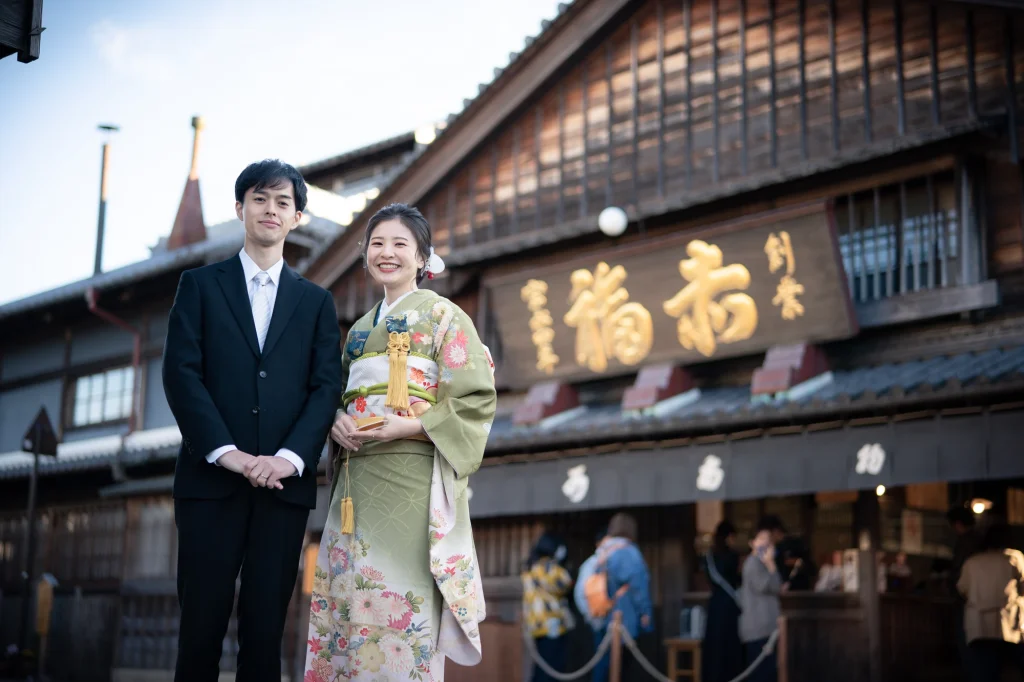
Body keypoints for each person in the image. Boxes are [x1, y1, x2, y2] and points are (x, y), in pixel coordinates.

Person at [163, 160, 342, 682]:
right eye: (260, 199)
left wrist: (288, 459)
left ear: (297, 217)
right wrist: (229, 454)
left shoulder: (316, 302)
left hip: (283, 491)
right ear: (240, 208)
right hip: (209, 482)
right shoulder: (199, 285)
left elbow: (325, 388)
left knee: (265, 635)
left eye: (283, 202)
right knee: (200, 629)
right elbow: (181, 374)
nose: (270, 209)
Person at [304, 203, 497, 681]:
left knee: (400, 598)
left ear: (422, 257)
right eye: (377, 244)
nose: (386, 253)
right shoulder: (357, 333)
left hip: (413, 477)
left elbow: (474, 398)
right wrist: (335, 420)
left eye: (399, 244)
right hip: (357, 480)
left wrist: (408, 427)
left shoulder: (444, 316)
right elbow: (336, 393)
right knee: (351, 598)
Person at [957, 521, 1024, 682]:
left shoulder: (972, 562)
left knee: (984, 672)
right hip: (1008, 624)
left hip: (978, 626)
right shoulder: (1014, 558)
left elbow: (962, 588)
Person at [592, 512, 653, 682]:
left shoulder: (604, 551)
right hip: (625, 613)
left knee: (604, 664)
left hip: (604, 610)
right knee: (622, 666)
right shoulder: (629, 552)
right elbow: (638, 586)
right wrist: (645, 612)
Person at [522, 533, 576, 682]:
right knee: (554, 666)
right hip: (553, 624)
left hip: (536, 623)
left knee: (541, 667)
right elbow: (565, 583)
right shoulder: (550, 568)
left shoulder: (530, 567)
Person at [702, 521, 743, 682]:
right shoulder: (733, 556)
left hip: (716, 603)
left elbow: (710, 579)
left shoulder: (709, 556)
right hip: (730, 602)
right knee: (730, 645)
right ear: (728, 537)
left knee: (715, 646)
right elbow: (737, 579)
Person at [739, 529, 782, 682]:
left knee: (768, 673)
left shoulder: (761, 563)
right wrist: (771, 563)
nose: (766, 542)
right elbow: (767, 586)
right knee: (762, 674)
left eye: (768, 539)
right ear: (752, 543)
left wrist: (770, 564)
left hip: (766, 629)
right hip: (758, 629)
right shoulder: (753, 563)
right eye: (761, 539)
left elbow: (776, 586)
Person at [947, 506, 980, 676]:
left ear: (957, 524)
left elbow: (959, 574)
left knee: (966, 643)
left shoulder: (965, 543)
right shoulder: (979, 541)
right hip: (977, 599)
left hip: (965, 599)